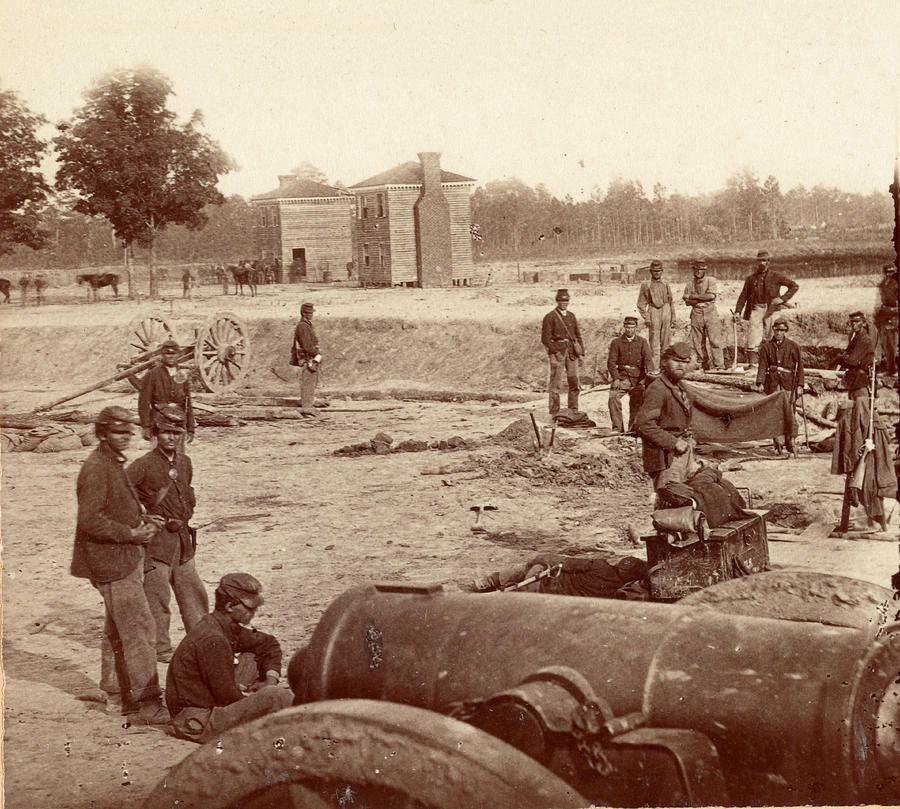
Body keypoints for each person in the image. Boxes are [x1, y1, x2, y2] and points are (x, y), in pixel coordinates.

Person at [71, 406, 170, 724]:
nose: (126, 437)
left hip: (118, 559)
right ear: (102, 434)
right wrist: (131, 533)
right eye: (118, 432)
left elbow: (113, 508)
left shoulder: (111, 462)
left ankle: (115, 695)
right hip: (112, 562)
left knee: (117, 628)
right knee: (140, 628)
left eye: (129, 432)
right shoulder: (97, 468)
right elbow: (89, 520)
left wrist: (142, 518)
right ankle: (148, 704)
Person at [165, 573, 292, 743]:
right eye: (250, 609)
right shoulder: (213, 639)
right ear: (230, 605)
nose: (254, 613)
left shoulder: (222, 625)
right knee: (276, 696)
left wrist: (270, 679)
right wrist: (257, 697)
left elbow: (268, 643)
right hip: (198, 720)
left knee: (253, 656)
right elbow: (227, 697)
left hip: (211, 702)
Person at [127, 404, 208, 663]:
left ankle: (203, 642)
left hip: (182, 539)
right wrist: (142, 517)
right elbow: (118, 496)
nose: (171, 437)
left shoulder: (185, 463)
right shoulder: (142, 465)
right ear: (155, 433)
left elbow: (187, 492)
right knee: (157, 596)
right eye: (165, 432)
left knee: (193, 593)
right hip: (157, 541)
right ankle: (160, 647)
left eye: (176, 432)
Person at [831, 393, 896, 536]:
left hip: (873, 461)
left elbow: (886, 440)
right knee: (861, 489)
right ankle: (872, 522)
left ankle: (877, 523)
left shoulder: (874, 422)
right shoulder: (852, 420)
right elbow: (852, 444)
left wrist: (871, 444)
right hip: (864, 459)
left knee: (871, 490)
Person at [634, 342, 694, 492]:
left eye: (685, 362)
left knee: (681, 502)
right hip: (665, 457)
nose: (681, 366)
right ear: (664, 362)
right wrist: (673, 442)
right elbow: (643, 424)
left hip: (680, 454)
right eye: (676, 361)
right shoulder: (657, 388)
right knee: (669, 503)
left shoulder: (680, 387)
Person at [734, 250, 799, 368]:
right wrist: (738, 311)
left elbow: (794, 286)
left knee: (772, 335)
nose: (762, 263)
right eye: (759, 261)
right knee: (753, 337)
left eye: (764, 260)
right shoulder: (751, 279)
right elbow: (743, 296)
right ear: (756, 262)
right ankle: (753, 365)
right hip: (756, 309)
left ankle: (773, 364)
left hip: (772, 310)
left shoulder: (776, 276)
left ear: (769, 262)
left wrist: (782, 299)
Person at [755, 318, 804, 457]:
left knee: (789, 412)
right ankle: (778, 445)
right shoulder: (766, 347)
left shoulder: (793, 346)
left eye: (782, 330)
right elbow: (762, 365)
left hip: (788, 384)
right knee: (775, 414)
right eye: (777, 330)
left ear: (785, 331)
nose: (779, 333)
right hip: (773, 384)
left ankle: (791, 442)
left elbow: (799, 366)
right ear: (773, 330)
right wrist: (760, 382)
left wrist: (800, 385)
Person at [138, 338, 195, 442]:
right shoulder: (152, 374)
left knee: (178, 454)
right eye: (167, 354)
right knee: (159, 454)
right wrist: (145, 426)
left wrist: (191, 429)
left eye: (174, 353)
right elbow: (143, 401)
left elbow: (187, 403)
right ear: (162, 355)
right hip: (159, 421)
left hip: (179, 421)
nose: (171, 356)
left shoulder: (182, 375)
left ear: (178, 355)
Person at [540, 288, 584, 417]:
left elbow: (577, 335)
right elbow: (545, 338)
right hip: (558, 353)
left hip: (571, 353)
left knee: (574, 381)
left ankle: (573, 410)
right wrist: (554, 351)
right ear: (557, 301)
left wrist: (581, 353)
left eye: (566, 300)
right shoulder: (550, 317)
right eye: (561, 300)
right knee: (556, 384)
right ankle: (554, 412)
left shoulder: (571, 316)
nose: (564, 303)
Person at [606, 315, 651, 433]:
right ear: (624, 327)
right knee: (613, 397)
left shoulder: (642, 342)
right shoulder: (616, 342)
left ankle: (633, 429)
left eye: (632, 327)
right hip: (623, 377)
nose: (629, 330)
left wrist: (647, 378)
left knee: (637, 401)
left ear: (636, 328)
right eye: (627, 327)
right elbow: (611, 362)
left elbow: (648, 360)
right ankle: (617, 428)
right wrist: (615, 378)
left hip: (638, 378)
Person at [682, 260, 724, 371]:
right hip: (696, 313)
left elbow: (710, 296)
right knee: (698, 341)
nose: (698, 271)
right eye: (696, 269)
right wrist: (698, 298)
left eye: (701, 269)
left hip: (710, 312)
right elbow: (687, 301)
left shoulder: (711, 281)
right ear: (693, 270)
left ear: (705, 270)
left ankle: (719, 366)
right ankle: (704, 364)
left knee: (715, 340)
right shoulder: (689, 284)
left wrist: (694, 296)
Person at [636, 260, 676, 375]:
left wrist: (673, 318)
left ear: (662, 271)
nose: (657, 273)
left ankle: (665, 367)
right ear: (650, 271)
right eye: (654, 271)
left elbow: (671, 301)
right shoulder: (646, 285)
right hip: (654, 311)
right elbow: (641, 304)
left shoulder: (666, 284)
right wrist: (647, 317)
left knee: (666, 341)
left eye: (659, 271)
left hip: (666, 310)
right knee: (654, 342)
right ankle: (655, 368)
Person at [290, 302, 322, 412]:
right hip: (308, 358)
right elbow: (307, 346)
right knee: (308, 383)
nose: (312, 315)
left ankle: (308, 405)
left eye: (312, 313)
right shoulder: (303, 326)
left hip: (309, 357)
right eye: (309, 313)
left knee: (310, 383)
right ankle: (307, 408)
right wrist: (317, 354)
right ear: (304, 313)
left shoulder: (305, 325)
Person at [837, 311, 875, 399]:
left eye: (857, 321)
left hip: (861, 381)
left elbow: (852, 361)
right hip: (853, 380)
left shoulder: (864, 339)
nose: (853, 324)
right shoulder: (855, 338)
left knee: (861, 408)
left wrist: (842, 357)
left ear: (864, 323)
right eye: (852, 322)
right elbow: (846, 356)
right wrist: (844, 357)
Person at [874, 263, 898, 376]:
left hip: (893, 316)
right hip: (882, 317)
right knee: (884, 343)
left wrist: (891, 310)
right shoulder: (882, 285)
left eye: (892, 272)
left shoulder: (896, 285)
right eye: (888, 272)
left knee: (891, 343)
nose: (890, 274)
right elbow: (878, 301)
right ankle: (888, 367)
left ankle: (892, 369)